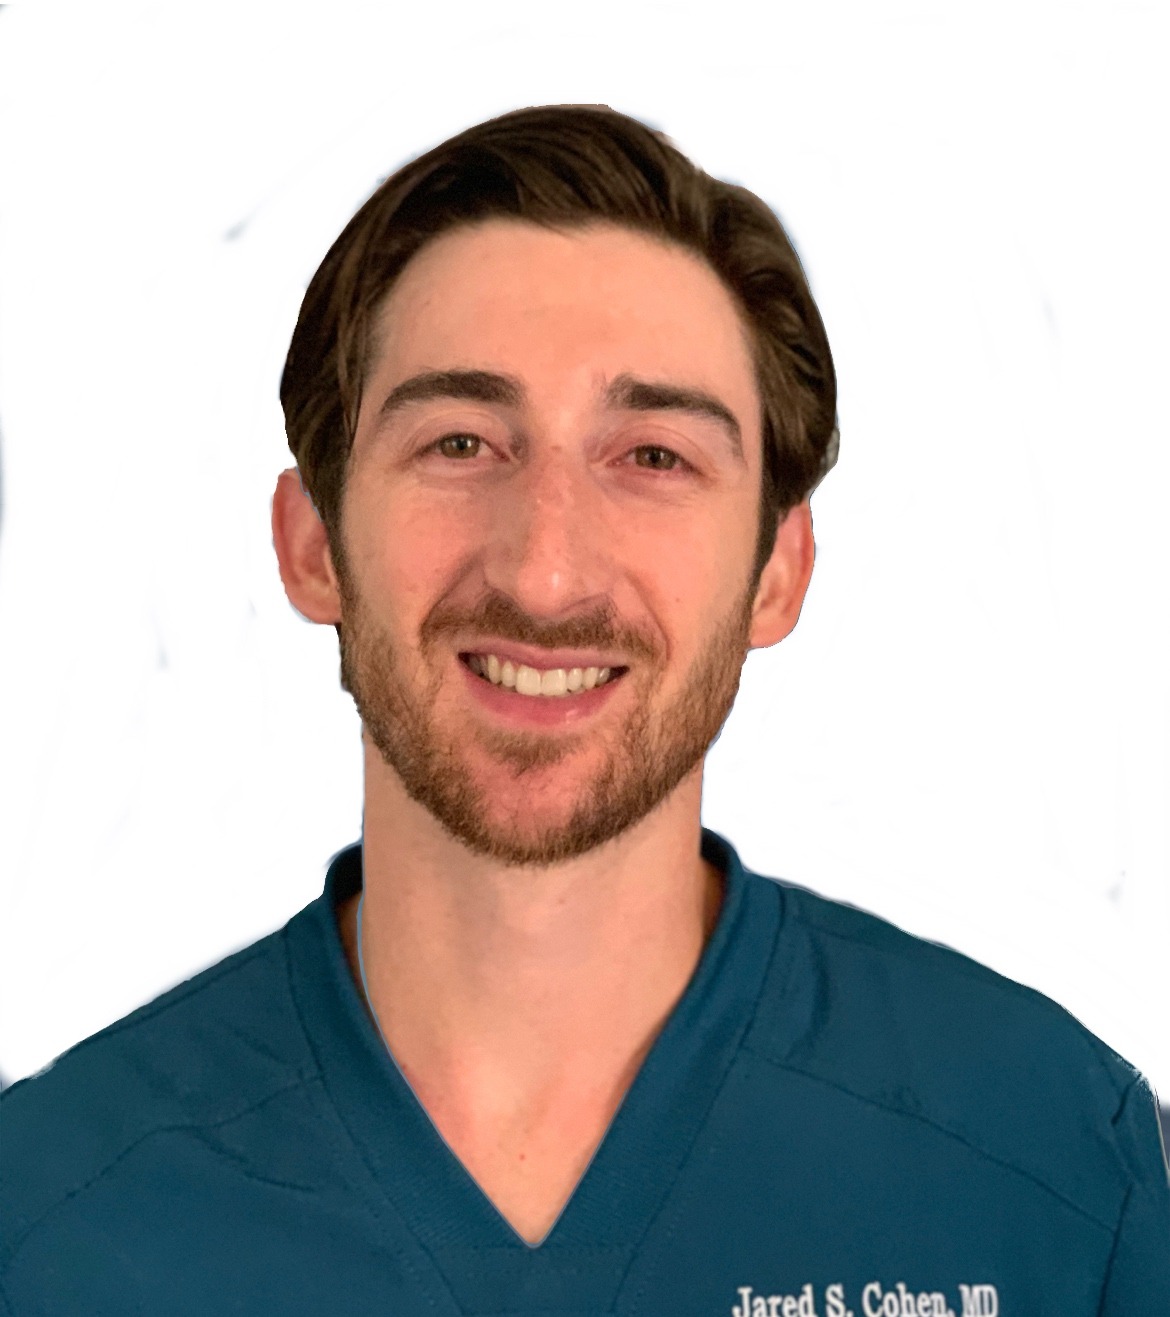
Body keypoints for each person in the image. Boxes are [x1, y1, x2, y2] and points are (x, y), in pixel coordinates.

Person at [2, 103, 1167, 1315]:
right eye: (461, 443)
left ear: (779, 572)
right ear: (313, 547)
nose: (545, 573)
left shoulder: (1056, 1170)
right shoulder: (45, 1224)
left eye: (653, 457)